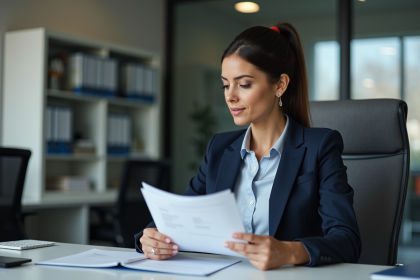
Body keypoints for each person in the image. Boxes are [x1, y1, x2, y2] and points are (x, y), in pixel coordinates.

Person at [134, 23, 362, 270]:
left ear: (280, 85)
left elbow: (347, 240)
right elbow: (180, 216)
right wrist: (151, 235)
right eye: (225, 84)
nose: (230, 96)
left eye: (243, 84)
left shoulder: (320, 146)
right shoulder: (219, 148)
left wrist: (288, 251)